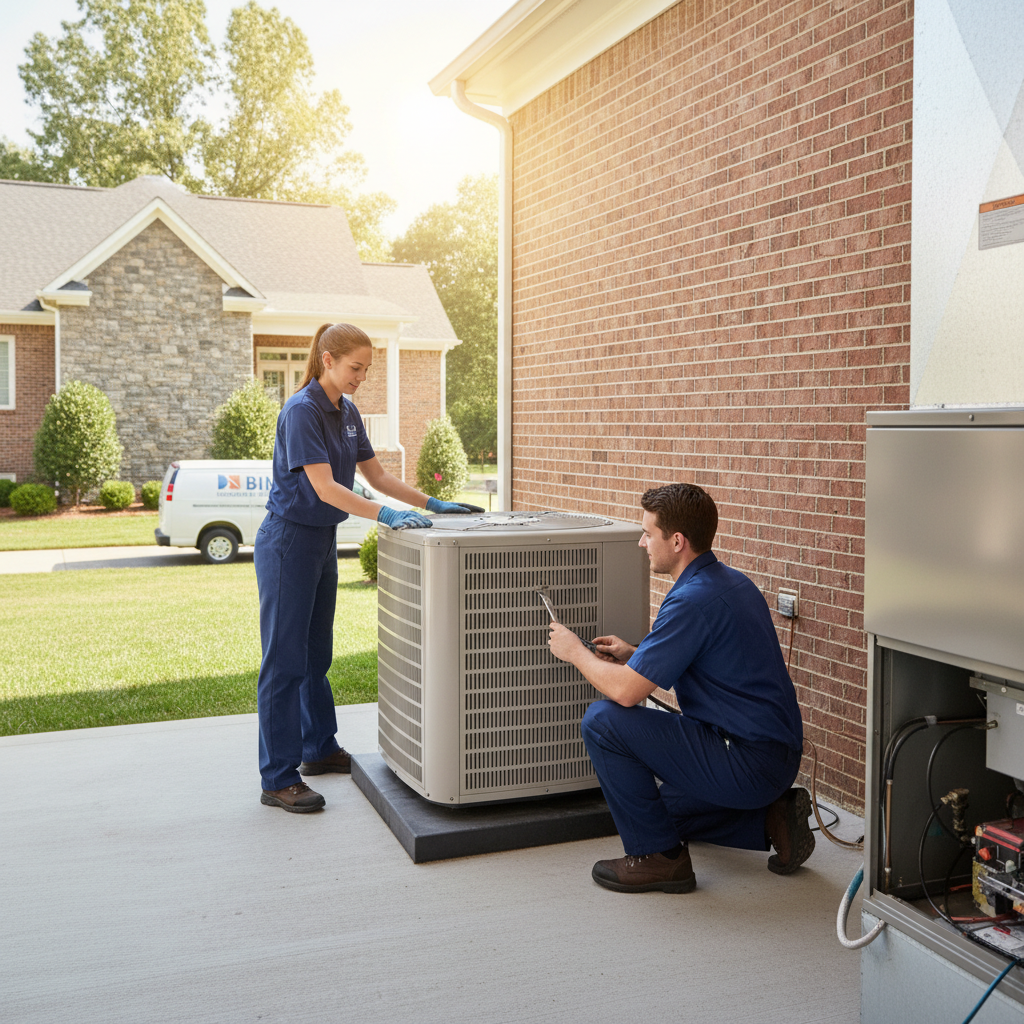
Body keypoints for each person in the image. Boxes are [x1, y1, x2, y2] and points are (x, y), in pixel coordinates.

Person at [255, 322, 482, 813]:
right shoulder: (301, 412)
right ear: (327, 359)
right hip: (288, 543)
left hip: (320, 541)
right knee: (284, 661)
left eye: (366, 369)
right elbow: (325, 488)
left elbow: (374, 475)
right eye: (355, 367)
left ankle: (318, 748)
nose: (361, 377)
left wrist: (433, 502)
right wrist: (386, 514)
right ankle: (277, 777)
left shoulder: (348, 411)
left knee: (317, 655)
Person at [548, 482, 813, 892]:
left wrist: (575, 653)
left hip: (746, 760)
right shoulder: (730, 582)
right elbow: (709, 665)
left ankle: (660, 859)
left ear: (676, 540)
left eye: (648, 534)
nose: (642, 543)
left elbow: (626, 694)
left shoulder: (690, 601)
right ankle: (772, 819)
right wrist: (634, 654)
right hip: (774, 758)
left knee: (603, 720)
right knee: (657, 808)